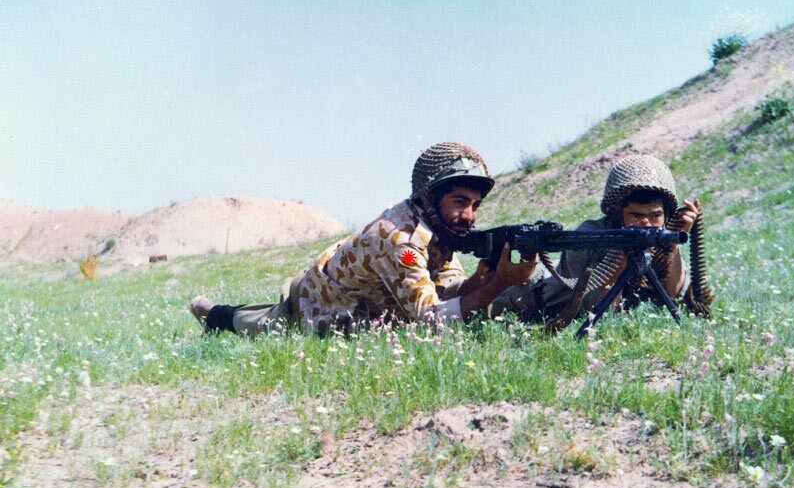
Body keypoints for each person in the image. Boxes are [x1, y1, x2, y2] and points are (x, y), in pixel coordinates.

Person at [190, 142, 536, 335]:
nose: (469, 216)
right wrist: (498, 285)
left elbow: (441, 290)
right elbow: (431, 321)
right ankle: (213, 313)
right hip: (319, 304)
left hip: (364, 299)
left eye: (474, 205)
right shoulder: (401, 239)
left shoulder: (439, 228)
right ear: (430, 199)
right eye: (460, 202)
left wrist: (477, 282)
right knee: (264, 326)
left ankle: (217, 312)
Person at [491, 154, 704, 326]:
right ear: (617, 214)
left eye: (655, 215)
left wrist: (673, 243)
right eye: (636, 215)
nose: (647, 224)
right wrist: (622, 256)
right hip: (527, 298)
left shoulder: (661, 236)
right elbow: (592, 308)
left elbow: (674, 295)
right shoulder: (589, 236)